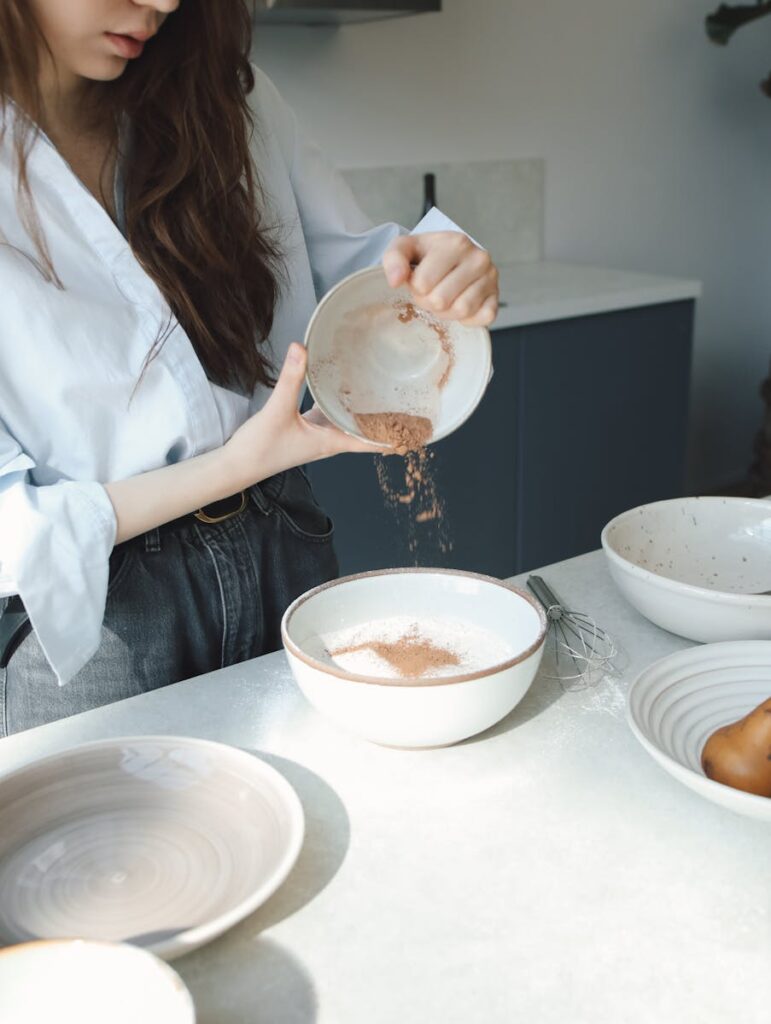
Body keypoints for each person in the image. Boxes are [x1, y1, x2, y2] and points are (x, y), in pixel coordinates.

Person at [0, 0, 500, 736]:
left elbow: (361, 286)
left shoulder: (233, 99)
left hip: (282, 543)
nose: (165, 3)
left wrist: (449, 277)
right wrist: (238, 464)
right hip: (100, 617)